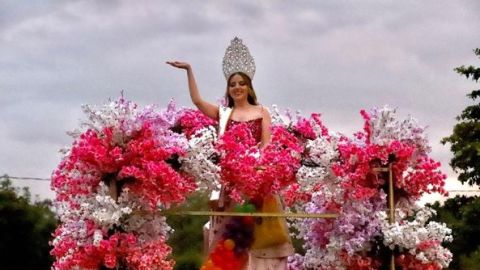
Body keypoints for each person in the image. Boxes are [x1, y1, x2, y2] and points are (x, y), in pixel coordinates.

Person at [167, 37, 293, 270]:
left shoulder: (262, 111)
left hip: (257, 184)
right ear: (229, 88)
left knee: (259, 240)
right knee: (229, 241)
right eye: (232, 84)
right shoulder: (224, 114)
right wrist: (189, 70)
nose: (237, 87)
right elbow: (197, 101)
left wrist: (253, 168)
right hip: (232, 186)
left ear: (249, 87)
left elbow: (266, 145)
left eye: (241, 83)